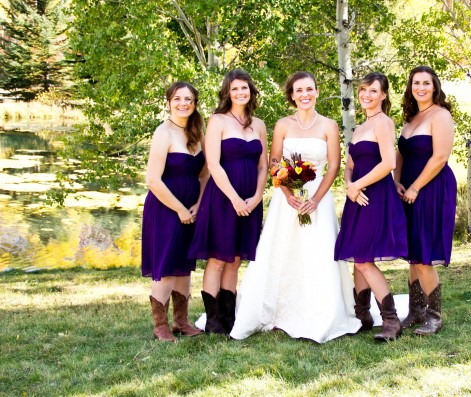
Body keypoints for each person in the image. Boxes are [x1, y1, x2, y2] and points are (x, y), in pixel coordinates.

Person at [229, 71, 361, 343]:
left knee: (317, 252)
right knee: (281, 251)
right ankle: (277, 311)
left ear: (317, 92)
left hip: (318, 199)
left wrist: (315, 199)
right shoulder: (282, 125)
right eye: (299, 90)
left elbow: (334, 166)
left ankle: (320, 313)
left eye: (309, 89)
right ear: (291, 95)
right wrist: (288, 192)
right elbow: (274, 161)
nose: (305, 95)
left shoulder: (329, 125)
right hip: (286, 199)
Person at [189, 69, 268, 334]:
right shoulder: (218, 121)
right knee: (218, 258)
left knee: (235, 260)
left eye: (244, 88)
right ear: (227, 92)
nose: (240, 93)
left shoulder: (259, 125)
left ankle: (228, 316)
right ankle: (213, 320)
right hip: (223, 198)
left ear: (251, 91)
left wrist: (257, 197)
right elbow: (213, 163)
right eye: (235, 89)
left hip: (250, 200)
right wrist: (235, 199)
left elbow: (263, 166)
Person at [334, 72, 408, 342]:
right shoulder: (359, 127)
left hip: (375, 195)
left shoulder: (384, 123)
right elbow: (350, 166)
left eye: (373, 91)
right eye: (363, 90)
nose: (366, 95)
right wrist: (349, 185)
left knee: (364, 260)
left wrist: (358, 185)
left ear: (384, 95)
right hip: (357, 197)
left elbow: (388, 162)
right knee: (357, 255)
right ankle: (362, 314)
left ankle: (391, 319)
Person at [142, 81, 208, 342]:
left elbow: (205, 174)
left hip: (191, 208)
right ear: (168, 102)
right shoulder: (163, 133)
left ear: (195, 104)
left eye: (189, 99)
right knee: (167, 266)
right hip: (166, 207)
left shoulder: (197, 133)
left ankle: (181, 321)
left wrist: (198, 205)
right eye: (178, 98)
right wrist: (180, 209)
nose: (184, 103)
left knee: (184, 266)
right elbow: (153, 180)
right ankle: (160, 326)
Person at [395, 65, 457, 335]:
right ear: (410, 88)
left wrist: (416, 187)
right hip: (408, 187)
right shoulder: (411, 118)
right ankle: (416, 310)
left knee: (423, 254)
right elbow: (401, 155)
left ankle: (433, 315)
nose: (420, 87)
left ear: (435, 87)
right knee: (412, 253)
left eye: (426, 83)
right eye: (415, 83)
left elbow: (440, 157)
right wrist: (397, 181)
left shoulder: (440, 116)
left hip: (430, 187)